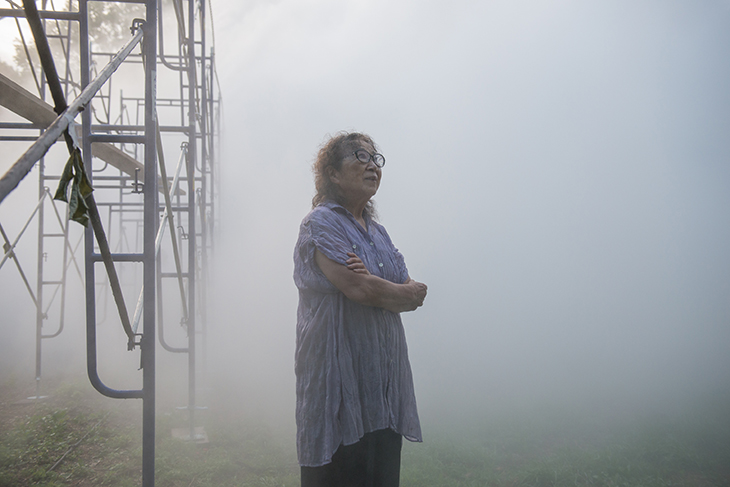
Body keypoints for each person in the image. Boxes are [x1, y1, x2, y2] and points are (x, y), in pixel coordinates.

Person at [293, 132, 428, 487]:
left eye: (376, 159)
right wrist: (379, 287)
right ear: (333, 174)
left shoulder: (378, 233)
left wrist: (389, 288)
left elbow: (413, 293)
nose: (373, 165)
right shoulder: (320, 222)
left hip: (381, 388)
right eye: (360, 156)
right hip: (338, 385)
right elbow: (360, 288)